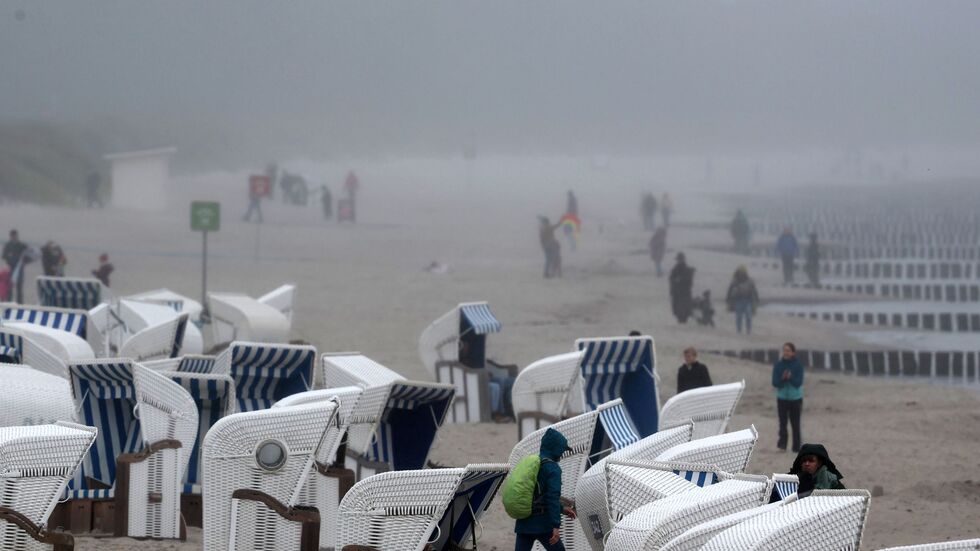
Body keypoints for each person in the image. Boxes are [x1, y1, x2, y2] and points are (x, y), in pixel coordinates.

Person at [514, 427, 576, 551]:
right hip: (543, 525)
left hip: (524, 523)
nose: (562, 453)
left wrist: (562, 509)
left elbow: (537, 494)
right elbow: (551, 497)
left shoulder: (531, 464)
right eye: (562, 450)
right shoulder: (553, 469)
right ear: (556, 449)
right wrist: (555, 526)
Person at [772, 342, 804, 452]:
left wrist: (790, 377)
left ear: (793, 353)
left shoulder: (798, 365)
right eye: (784, 350)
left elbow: (798, 383)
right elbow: (775, 383)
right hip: (782, 398)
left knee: (795, 424)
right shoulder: (778, 365)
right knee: (782, 423)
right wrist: (783, 378)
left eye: (788, 350)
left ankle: (796, 447)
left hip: (796, 399)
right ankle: (782, 445)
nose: (786, 352)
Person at [726, 266, 760, 334]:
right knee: (739, 316)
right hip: (738, 300)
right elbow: (730, 292)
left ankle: (748, 330)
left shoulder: (750, 281)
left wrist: (756, 300)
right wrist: (728, 301)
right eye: (740, 273)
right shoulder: (735, 282)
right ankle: (739, 331)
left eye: (743, 273)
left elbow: (754, 291)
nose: (742, 274)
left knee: (748, 316)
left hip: (748, 301)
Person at [2, 229, 28, 303]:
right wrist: (9, 257)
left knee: (19, 287)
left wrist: (24, 262)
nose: (14, 237)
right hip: (10, 269)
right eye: (13, 236)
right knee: (9, 287)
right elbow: (3, 256)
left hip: (19, 269)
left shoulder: (22, 245)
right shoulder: (8, 245)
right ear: (10, 236)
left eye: (15, 235)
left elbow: (28, 255)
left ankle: (20, 304)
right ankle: (8, 302)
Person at [668, 252, 695, 323]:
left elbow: (689, 282)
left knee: (683, 308)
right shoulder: (675, 269)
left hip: (684, 292)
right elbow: (671, 279)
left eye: (680, 259)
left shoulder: (686, 269)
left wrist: (680, 280)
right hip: (677, 292)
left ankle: (683, 319)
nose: (679, 261)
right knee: (678, 308)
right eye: (678, 259)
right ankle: (681, 319)